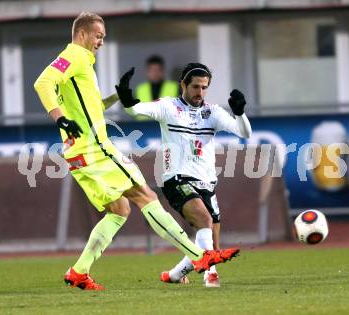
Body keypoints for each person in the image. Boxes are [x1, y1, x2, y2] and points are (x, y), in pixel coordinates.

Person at [33, 12, 239, 291]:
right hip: (96, 148)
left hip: (76, 152)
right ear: (82, 34)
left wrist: (118, 95)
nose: (101, 42)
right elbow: (42, 82)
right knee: (146, 196)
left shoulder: (81, 66)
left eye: (103, 37)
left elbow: (90, 109)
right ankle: (200, 257)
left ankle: (79, 271)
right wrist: (59, 117)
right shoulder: (76, 56)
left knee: (119, 210)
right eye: (98, 36)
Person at [116, 63, 252, 287]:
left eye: (204, 87)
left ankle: (174, 275)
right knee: (204, 220)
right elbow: (135, 110)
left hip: (207, 183)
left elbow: (245, 132)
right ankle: (211, 276)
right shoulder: (169, 107)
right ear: (183, 85)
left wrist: (239, 113)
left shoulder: (213, 112)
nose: (200, 93)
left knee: (211, 248)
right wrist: (126, 96)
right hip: (176, 179)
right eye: (196, 87)